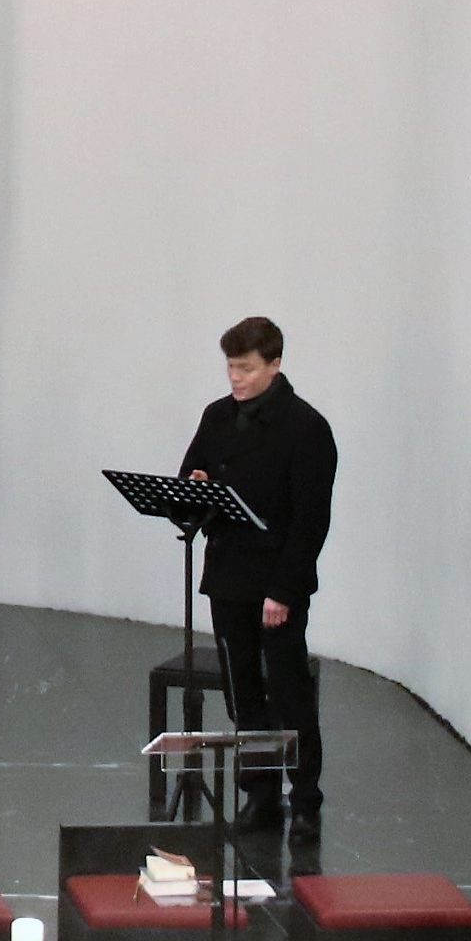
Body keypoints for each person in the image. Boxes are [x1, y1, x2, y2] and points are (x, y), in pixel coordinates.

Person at [178, 315, 337, 833]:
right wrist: (196, 489)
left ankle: (306, 800)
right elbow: (188, 490)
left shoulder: (306, 428)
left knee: (289, 693)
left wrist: (284, 590)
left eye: (245, 368)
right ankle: (261, 794)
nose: (235, 379)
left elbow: (311, 520)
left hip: (275, 585)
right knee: (242, 694)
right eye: (230, 367)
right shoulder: (217, 417)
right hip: (227, 578)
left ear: (275, 364)